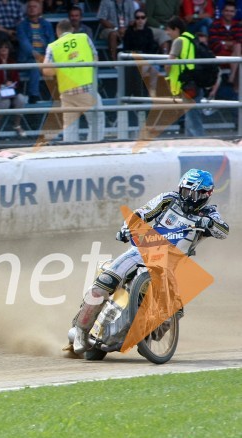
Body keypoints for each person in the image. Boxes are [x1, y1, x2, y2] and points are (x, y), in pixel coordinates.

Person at [69, 169, 229, 355]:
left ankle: (143, 336)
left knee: (173, 314)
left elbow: (224, 231)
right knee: (105, 282)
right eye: (185, 191)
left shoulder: (210, 213)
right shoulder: (168, 199)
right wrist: (126, 229)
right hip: (143, 251)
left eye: (193, 194)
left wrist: (209, 224)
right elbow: (141, 213)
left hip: (171, 267)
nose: (187, 197)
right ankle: (81, 331)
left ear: (205, 194)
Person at [42, 18, 104, 143]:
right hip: (87, 87)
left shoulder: (52, 46)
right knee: (96, 120)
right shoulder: (84, 38)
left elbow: (46, 71)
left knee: (70, 125)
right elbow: (95, 58)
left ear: (57, 32)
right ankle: (94, 148)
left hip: (66, 91)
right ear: (72, 29)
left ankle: (70, 150)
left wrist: (62, 68)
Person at [166, 15, 206, 136]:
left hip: (186, 84)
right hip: (196, 82)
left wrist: (166, 71)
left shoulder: (178, 41)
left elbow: (169, 64)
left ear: (176, 29)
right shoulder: (191, 38)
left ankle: (200, 144)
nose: (167, 33)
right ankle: (194, 143)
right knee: (191, 118)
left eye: (169, 30)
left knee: (193, 121)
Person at [0, 40, 26, 138]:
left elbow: (17, 79)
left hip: (10, 91)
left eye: (6, 47)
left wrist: (12, 84)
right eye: (1, 47)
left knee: (21, 99)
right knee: (5, 102)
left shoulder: (12, 62)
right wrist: (1, 86)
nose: (3, 49)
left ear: (9, 49)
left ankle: (17, 125)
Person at [16, 0, 55, 102]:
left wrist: (46, 57)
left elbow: (52, 42)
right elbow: (25, 44)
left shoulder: (47, 25)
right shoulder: (21, 26)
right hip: (28, 59)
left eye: (34, 6)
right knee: (35, 65)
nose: (32, 8)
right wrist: (39, 57)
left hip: (45, 57)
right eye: (30, 7)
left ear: (40, 9)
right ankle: (34, 95)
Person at [208, 3, 242, 87]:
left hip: (235, 55)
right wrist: (230, 45)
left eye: (231, 11)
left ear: (235, 13)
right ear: (222, 12)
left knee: (238, 46)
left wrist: (224, 43)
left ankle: (232, 77)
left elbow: (240, 41)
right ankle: (233, 82)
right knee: (238, 50)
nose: (229, 13)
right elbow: (215, 44)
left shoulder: (238, 25)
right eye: (227, 11)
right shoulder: (215, 25)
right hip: (219, 55)